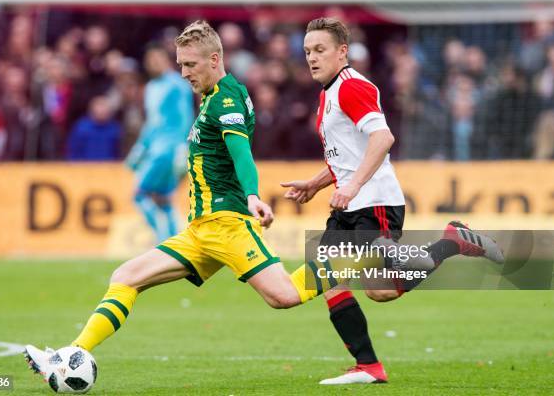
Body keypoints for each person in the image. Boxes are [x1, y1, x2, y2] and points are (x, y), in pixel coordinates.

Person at [23, 20, 343, 385]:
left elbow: (242, 155)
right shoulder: (214, 96)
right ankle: (69, 355)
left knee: (283, 296)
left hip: (226, 226)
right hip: (199, 230)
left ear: (214, 58)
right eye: (180, 64)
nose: (184, 72)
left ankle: (354, 257)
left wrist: (253, 196)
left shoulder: (225, 100)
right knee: (125, 277)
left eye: (190, 64)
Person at [281, 17, 503, 385]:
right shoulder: (328, 93)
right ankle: (369, 366)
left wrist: (351, 188)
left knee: (363, 286)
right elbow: (347, 158)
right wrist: (317, 183)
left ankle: (450, 243)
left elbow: (382, 139)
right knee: (362, 288)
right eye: (307, 51)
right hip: (349, 204)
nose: (312, 58)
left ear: (342, 51)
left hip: (374, 202)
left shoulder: (353, 87)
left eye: (320, 50)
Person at [125, 42, 194, 243]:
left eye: (157, 59)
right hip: (155, 148)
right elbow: (152, 122)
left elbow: (185, 117)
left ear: (166, 60)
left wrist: (184, 145)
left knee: (139, 194)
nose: (153, 64)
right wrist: (141, 147)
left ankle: (161, 238)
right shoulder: (151, 87)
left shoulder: (177, 85)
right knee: (163, 197)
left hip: (168, 150)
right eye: (150, 60)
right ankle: (177, 242)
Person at [66, 95, 122, 161]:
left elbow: (117, 151)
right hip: (84, 167)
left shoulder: (114, 128)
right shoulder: (81, 127)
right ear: (92, 110)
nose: (102, 111)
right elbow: (72, 150)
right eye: (99, 107)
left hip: (109, 167)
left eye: (104, 108)